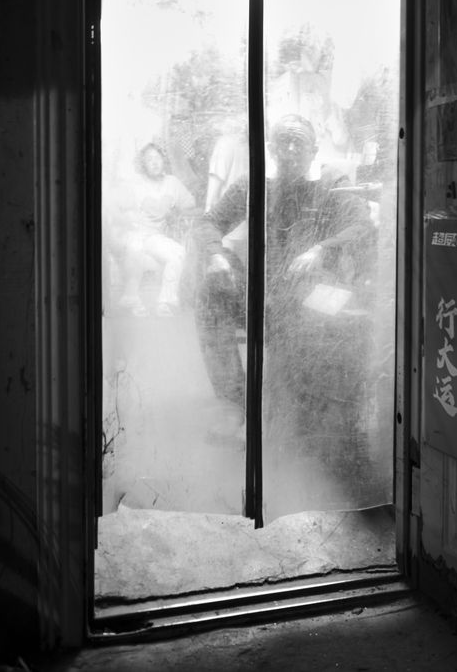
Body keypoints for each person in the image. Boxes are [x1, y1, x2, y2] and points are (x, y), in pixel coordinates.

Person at [193, 114, 376, 465]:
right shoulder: (255, 184)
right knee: (211, 292)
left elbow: (362, 225)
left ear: (313, 149)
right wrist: (215, 255)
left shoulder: (331, 183)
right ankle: (235, 404)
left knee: (329, 335)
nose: (290, 149)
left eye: (298, 141)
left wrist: (321, 249)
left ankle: (309, 431)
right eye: (282, 141)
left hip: (312, 299)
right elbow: (207, 222)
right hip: (266, 296)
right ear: (272, 149)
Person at [109, 142, 197, 317]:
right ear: (143, 164)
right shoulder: (135, 184)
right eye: (149, 160)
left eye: (157, 158)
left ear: (164, 160)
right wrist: (127, 221)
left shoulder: (172, 183)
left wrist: (175, 214)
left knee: (177, 252)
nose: (155, 163)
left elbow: (190, 204)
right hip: (134, 233)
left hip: (154, 236)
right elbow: (112, 205)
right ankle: (132, 298)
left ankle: (165, 301)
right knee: (135, 248)